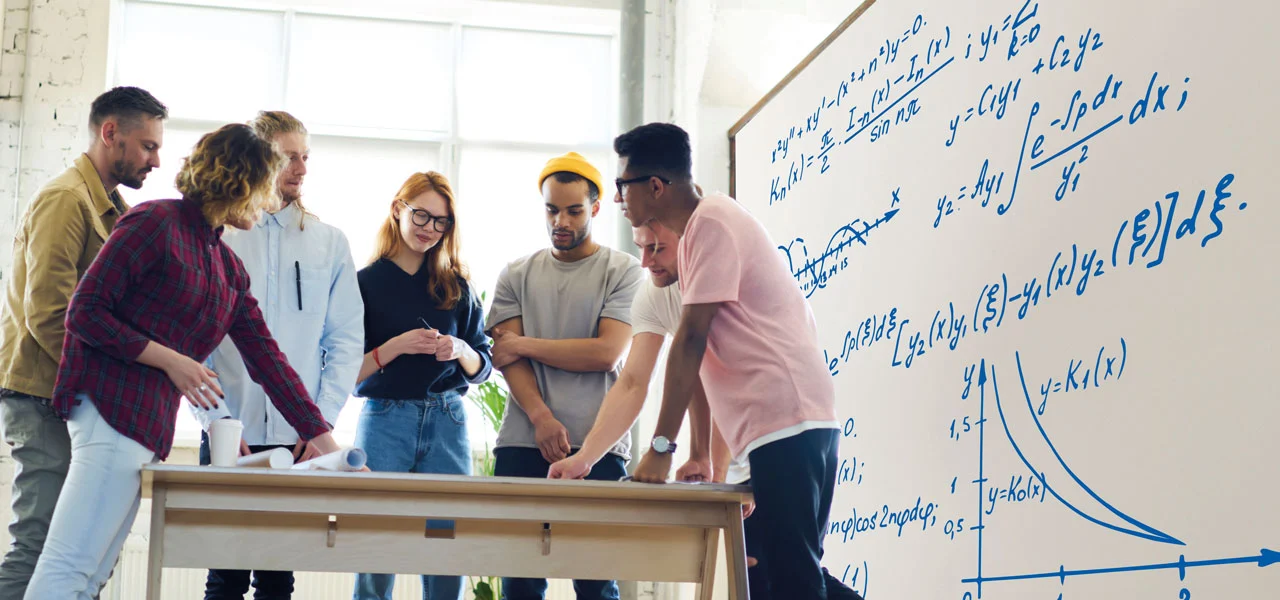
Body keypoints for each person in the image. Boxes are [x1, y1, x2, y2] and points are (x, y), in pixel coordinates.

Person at [23, 123, 351, 599]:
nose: (271, 198)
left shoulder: (225, 265)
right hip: (110, 409)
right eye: (266, 185)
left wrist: (329, 447)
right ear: (241, 182)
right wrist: (172, 362)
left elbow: (270, 363)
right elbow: (85, 312)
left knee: (92, 576)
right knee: (70, 565)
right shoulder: (154, 222)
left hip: (146, 424)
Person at [615, 122, 857, 600]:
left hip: (788, 422)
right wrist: (701, 453)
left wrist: (661, 448)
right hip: (787, 424)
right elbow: (706, 362)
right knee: (782, 572)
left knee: (793, 581)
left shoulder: (711, 223)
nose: (621, 198)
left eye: (624, 185)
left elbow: (689, 342)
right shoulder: (701, 231)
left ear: (656, 187)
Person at [0, 85, 167, 599]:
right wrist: (102, 384)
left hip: (74, 396)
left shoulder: (114, 209)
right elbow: (48, 314)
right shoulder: (65, 200)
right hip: (47, 394)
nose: (156, 160)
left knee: (82, 553)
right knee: (41, 544)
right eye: (148, 146)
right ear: (109, 132)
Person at [189, 111, 364, 600]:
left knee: (278, 578)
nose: (301, 169)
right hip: (229, 432)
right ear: (260, 159)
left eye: (305, 157)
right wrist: (215, 419)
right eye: (289, 157)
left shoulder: (329, 242)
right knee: (222, 577)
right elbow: (192, 344)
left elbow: (346, 342)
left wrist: (320, 426)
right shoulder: (220, 235)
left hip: (300, 439)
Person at [485, 152, 643, 600]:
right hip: (522, 441)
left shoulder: (624, 270)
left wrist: (527, 343)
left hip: (598, 445)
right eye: (552, 209)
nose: (561, 220)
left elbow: (606, 353)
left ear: (595, 208)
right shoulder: (515, 273)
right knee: (519, 583)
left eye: (574, 210)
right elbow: (506, 359)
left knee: (595, 584)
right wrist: (539, 417)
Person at [350, 171, 493, 600]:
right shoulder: (364, 283)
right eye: (422, 216)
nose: (430, 229)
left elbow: (483, 364)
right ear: (398, 209)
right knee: (377, 546)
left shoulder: (457, 285)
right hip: (384, 421)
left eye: (441, 222)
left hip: (447, 421)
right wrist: (395, 346)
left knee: (446, 548)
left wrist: (460, 349)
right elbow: (342, 372)